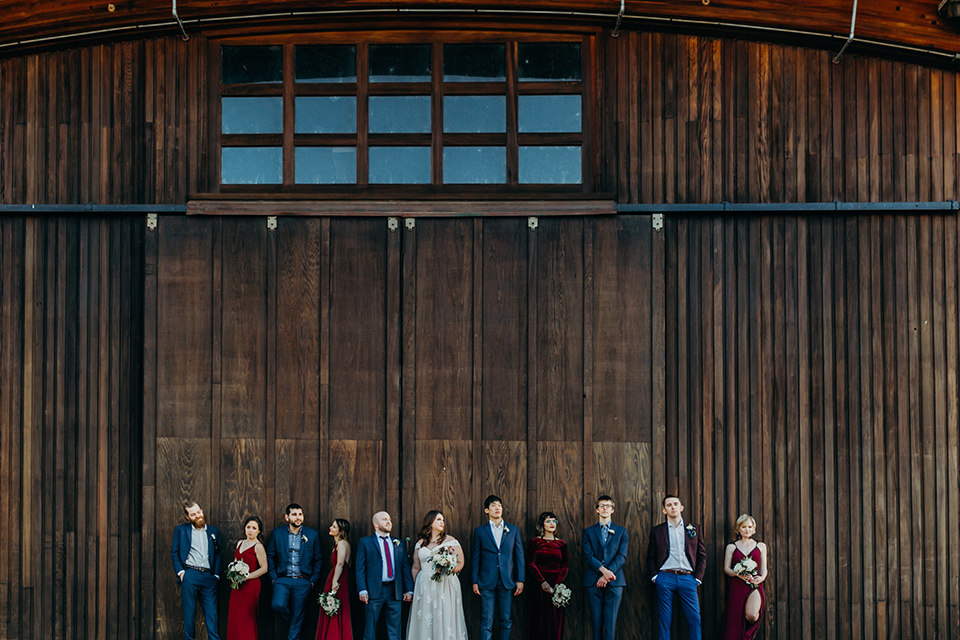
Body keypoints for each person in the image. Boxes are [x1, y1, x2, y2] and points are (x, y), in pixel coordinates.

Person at [646, 494, 707, 640]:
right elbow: (650, 557)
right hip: (665, 577)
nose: (672, 507)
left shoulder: (694, 529)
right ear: (664, 510)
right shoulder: (657, 531)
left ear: (681, 508)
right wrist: (656, 576)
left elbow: (702, 555)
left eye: (675, 504)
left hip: (688, 578)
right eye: (669, 505)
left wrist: (697, 578)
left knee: (694, 618)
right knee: (665, 620)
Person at [406, 510, 468, 640]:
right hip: (424, 586)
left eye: (443, 520)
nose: (442, 522)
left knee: (445, 615)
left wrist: (448, 567)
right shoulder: (420, 543)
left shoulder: (451, 541)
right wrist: (414, 588)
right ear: (430, 522)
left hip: (445, 584)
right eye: (439, 519)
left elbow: (460, 563)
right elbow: (416, 566)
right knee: (426, 616)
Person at [267, 503, 325, 640]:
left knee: (298, 615)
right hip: (282, 580)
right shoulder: (277, 533)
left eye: (300, 514)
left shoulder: (312, 535)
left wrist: (312, 581)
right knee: (277, 605)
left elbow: (318, 560)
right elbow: (270, 555)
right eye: (294, 514)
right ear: (287, 517)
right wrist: (274, 577)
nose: (298, 517)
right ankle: (293, 618)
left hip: (303, 581)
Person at [471, 494, 525, 640]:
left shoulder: (513, 530)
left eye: (499, 505)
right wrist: (474, 580)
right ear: (486, 510)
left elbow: (519, 556)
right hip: (486, 581)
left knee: (506, 620)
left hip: (507, 580)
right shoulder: (480, 531)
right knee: (486, 620)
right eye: (493, 505)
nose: (497, 508)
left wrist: (520, 579)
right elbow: (475, 557)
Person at [355, 511, 414, 640]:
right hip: (373, 591)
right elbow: (360, 568)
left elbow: (405, 567)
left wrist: (409, 589)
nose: (389, 522)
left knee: (395, 630)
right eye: (384, 519)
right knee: (370, 629)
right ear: (375, 524)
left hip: (395, 591)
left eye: (390, 519)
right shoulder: (365, 542)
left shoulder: (398, 543)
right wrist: (362, 590)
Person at [171, 501, 223, 640]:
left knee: (212, 613)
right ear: (188, 517)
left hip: (208, 577)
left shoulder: (214, 532)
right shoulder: (181, 530)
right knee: (189, 612)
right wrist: (181, 573)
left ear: (202, 510)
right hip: (190, 575)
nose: (198, 516)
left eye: (198, 512)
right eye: (193, 514)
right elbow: (175, 553)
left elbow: (218, 554)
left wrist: (216, 575)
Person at [582, 495, 628, 640]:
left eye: (608, 506)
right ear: (597, 510)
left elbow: (622, 556)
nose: (604, 508)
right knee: (595, 622)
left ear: (612, 510)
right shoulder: (588, 532)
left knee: (610, 622)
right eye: (601, 505)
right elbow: (588, 555)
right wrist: (603, 571)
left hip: (615, 581)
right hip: (593, 580)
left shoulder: (621, 532)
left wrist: (608, 574)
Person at [720, 514, 767, 640]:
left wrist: (761, 578)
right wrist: (738, 574)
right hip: (737, 585)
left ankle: (748, 636)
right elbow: (726, 569)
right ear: (738, 529)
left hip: (754, 584)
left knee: (752, 615)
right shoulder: (732, 547)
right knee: (735, 620)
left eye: (750, 527)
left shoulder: (761, 546)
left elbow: (764, 569)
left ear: (754, 529)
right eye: (744, 527)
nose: (747, 529)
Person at [527, 511, 569, 640]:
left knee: (555, 620)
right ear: (542, 524)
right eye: (548, 521)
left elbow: (565, 565)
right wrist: (542, 581)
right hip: (538, 583)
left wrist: (557, 583)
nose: (552, 523)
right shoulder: (535, 542)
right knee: (538, 618)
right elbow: (531, 563)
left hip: (556, 585)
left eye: (554, 521)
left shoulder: (562, 544)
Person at [227, 515, 269, 640]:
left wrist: (246, 577)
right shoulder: (240, 543)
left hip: (251, 586)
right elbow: (235, 562)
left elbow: (264, 568)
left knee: (246, 617)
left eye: (254, 528)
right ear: (244, 528)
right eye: (248, 527)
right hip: (237, 586)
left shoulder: (258, 546)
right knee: (235, 616)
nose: (250, 530)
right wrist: (232, 575)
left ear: (259, 531)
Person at [315, 518, 354, 640]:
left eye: (334, 527)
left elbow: (340, 564)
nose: (330, 528)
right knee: (332, 608)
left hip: (338, 579)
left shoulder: (342, 543)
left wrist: (334, 581)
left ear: (340, 530)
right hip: (339, 577)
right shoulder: (340, 544)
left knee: (334, 608)